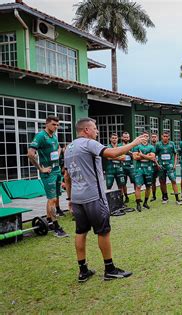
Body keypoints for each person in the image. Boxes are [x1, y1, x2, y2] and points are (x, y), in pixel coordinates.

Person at [64, 117, 144, 282]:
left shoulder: (69, 148)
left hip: (78, 199)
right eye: (94, 128)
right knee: (104, 231)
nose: (97, 131)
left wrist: (70, 198)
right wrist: (134, 142)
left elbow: (67, 176)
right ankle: (110, 269)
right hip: (94, 196)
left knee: (80, 232)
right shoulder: (88, 143)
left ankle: (83, 270)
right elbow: (112, 152)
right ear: (86, 130)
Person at [27, 116, 68, 238]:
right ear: (47, 124)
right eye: (54, 124)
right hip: (48, 173)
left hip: (56, 171)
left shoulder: (54, 136)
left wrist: (60, 153)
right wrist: (41, 168)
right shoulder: (40, 136)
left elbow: (58, 148)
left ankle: (49, 220)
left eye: (57, 125)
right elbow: (30, 154)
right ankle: (56, 226)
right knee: (52, 199)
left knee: (53, 199)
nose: (56, 127)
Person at [155, 131, 182, 205]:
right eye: (164, 136)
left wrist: (175, 164)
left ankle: (177, 199)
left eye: (167, 136)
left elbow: (175, 154)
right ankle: (165, 197)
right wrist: (157, 164)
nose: (165, 138)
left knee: (173, 181)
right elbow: (154, 155)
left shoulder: (172, 144)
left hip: (170, 166)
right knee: (162, 182)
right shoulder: (158, 144)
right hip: (161, 166)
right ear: (161, 136)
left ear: (169, 137)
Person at [132, 131, 156, 211]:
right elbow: (135, 157)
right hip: (139, 169)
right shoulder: (137, 146)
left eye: (146, 136)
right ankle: (138, 203)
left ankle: (145, 203)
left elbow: (152, 158)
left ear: (148, 138)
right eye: (143, 136)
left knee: (148, 186)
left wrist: (141, 155)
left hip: (148, 169)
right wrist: (147, 156)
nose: (145, 138)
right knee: (138, 186)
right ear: (141, 137)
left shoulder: (151, 147)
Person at [119, 132, 135, 204]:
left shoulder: (132, 146)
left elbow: (135, 156)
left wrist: (129, 152)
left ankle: (137, 197)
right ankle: (125, 197)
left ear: (129, 138)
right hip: (122, 166)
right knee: (122, 183)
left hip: (130, 166)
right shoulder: (119, 146)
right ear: (122, 138)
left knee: (135, 182)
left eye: (127, 137)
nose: (126, 138)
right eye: (124, 137)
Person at [150, 133, 162, 202]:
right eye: (152, 137)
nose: (154, 138)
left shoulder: (160, 146)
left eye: (155, 137)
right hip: (152, 166)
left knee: (161, 181)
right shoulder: (149, 146)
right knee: (153, 182)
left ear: (157, 138)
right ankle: (154, 196)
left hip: (160, 166)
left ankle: (164, 195)